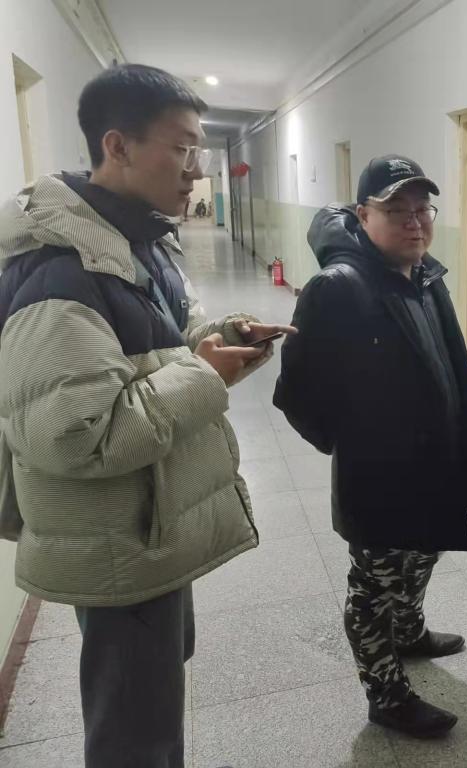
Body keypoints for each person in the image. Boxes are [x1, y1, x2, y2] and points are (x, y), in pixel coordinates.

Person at [0, 64, 295, 768]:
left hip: (150, 523)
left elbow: (165, 341)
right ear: (118, 146)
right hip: (115, 544)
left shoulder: (139, 240)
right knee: (134, 731)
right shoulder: (60, 275)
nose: (197, 170)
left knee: (154, 700)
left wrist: (223, 336)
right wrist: (207, 375)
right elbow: (76, 438)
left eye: (199, 150)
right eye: (183, 148)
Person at [273, 154, 467, 738]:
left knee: (422, 555)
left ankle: (410, 633)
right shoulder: (338, 288)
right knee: (373, 586)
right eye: (397, 211)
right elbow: (296, 392)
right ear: (363, 215)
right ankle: (386, 695)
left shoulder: (424, 274)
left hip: (434, 463)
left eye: (423, 209)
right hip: (381, 475)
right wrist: (357, 443)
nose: (415, 222)